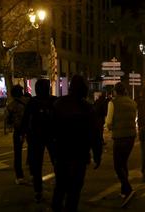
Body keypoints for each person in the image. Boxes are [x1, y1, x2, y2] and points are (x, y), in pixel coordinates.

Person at [51, 75, 102, 212]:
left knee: (60, 187)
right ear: (84, 89)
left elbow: (51, 130)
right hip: (79, 155)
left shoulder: (58, 104)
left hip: (61, 153)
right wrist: (97, 154)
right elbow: (95, 134)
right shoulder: (87, 108)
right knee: (74, 189)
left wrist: (53, 152)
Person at [21, 79, 57, 202]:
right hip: (52, 136)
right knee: (56, 162)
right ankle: (60, 188)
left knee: (37, 165)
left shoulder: (33, 102)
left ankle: (38, 191)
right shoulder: (54, 100)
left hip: (36, 137)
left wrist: (22, 133)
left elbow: (25, 120)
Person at [105, 82, 137, 207]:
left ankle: (128, 188)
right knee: (123, 163)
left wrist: (110, 127)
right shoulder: (132, 102)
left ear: (115, 91)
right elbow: (134, 118)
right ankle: (124, 191)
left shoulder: (113, 103)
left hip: (119, 137)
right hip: (131, 136)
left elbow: (108, 121)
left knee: (118, 166)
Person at [5, 84, 29, 184]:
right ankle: (33, 173)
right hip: (30, 129)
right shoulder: (28, 102)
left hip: (18, 130)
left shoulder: (10, 105)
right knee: (33, 151)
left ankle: (19, 176)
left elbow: (8, 121)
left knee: (17, 153)